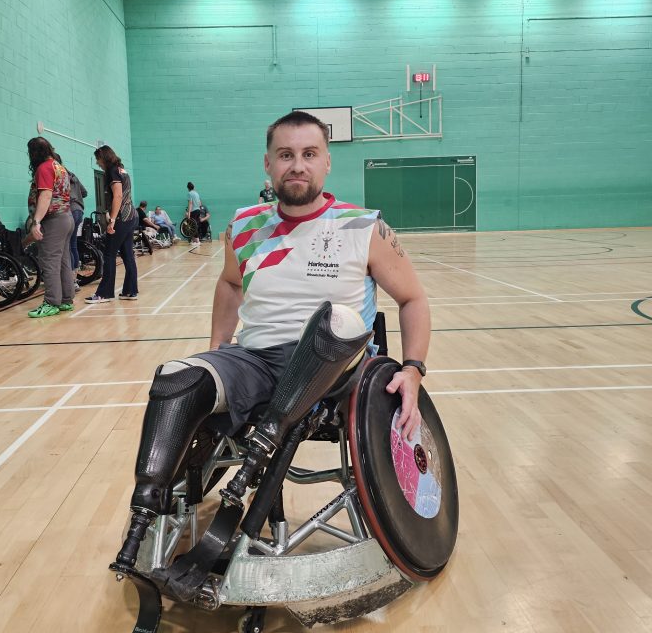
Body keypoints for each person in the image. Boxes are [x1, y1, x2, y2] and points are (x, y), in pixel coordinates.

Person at [113, 110, 430, 573]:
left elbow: (414, 299)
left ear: (326, 163)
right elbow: (228, 285)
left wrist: (413, 369)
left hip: (334, 368)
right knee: (175, 379)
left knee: (336, 322)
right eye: (286, 155)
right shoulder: (243, 226)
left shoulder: (364, 227)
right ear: (268, 164)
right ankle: (146, 514)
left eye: (309, 154)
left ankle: (246, 494)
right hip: (255, 360)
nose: (296, 165)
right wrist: (218, 346)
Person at [25, 137, 75, 318]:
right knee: (63, 261)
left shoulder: (44, 168)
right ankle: (66, 300)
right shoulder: (59, 167)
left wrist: (36, 221)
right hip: (66, 218)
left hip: (54, 220)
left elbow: (45, 196)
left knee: (49, 261)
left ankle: (51, 302)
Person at [86, 145, 138, 304]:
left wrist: (113, 219)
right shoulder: (122, 169)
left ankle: (105, 293)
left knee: (109, 254)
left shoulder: (112, 171)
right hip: (132, 216)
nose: (97, 163)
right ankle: (130, 291)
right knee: (128, 254)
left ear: (104, 157)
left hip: (122, 218)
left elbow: (118, 196)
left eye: (98, 159)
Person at [67, 169, 88, 288]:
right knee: (73, 244)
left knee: (67, 245)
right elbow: (84, 192)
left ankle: (70, 279)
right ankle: (74, 279)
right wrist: (77, 196)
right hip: (79, 211)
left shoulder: (61, 174)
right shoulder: (73, 175)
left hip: (70, 210)